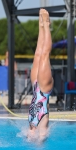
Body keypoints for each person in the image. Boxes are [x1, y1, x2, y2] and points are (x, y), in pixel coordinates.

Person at [27, 9, 54, 142]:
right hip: (43, 90)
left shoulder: (32, 127)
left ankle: (41, 26)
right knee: (44, 56)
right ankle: (47, 25)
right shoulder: (42, 130)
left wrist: (28, 136)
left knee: (38, 54)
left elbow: (28, 135)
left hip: (35, 88)